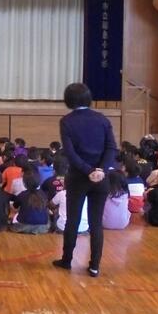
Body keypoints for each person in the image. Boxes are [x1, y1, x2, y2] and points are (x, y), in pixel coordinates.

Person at [52, 83, 117, 278]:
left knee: (73, 219)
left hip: (78, 177)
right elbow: (111, 148)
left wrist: (88, 170)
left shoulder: (67, 121)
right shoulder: (102, 119)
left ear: (68, 99)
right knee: (96, 222)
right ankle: (95, 266)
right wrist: (101, 170)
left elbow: (70, 154)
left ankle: (66, 260)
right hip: (101, 178)